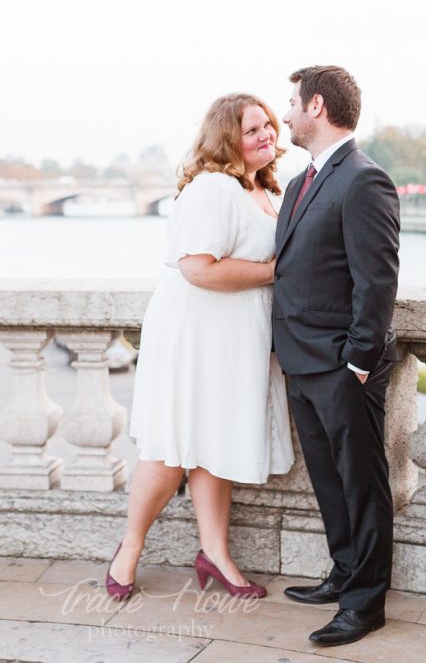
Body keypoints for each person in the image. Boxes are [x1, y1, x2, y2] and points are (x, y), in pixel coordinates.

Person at [105, 93, 294, 601]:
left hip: (234, 337)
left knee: (214, 444)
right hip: (196, 334)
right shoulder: (213, 188)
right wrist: (279, 271)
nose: (266, 136)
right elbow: (197, 268)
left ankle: (215, 556)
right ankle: (129, 548)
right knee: (172, 447)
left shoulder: (262, 188)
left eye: (268, 126)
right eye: (252, 129)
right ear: (225, 138)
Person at [273, 65, 400, 646]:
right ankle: (344, 572)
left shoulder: (364, 180)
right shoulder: (302, 181)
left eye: (292, 102)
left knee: (361, 485)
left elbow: (376, 282)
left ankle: (365, 604)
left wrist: (357, 361)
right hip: (301, 361)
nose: (286, 113)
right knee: (328, 481)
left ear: (317, 105)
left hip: (342, 367)